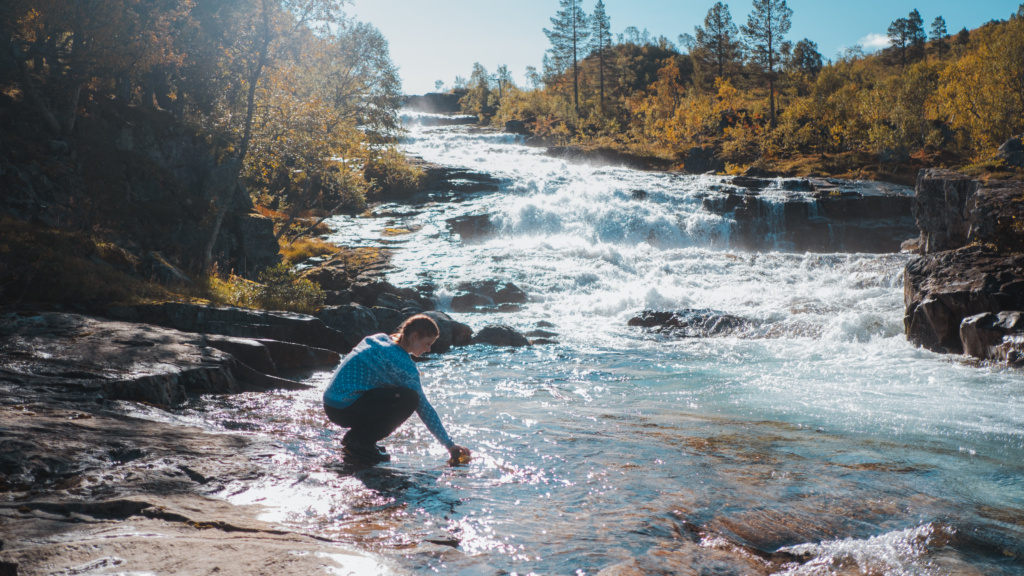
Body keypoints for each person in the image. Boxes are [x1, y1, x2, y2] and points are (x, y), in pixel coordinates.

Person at [323, 314, 471, 464]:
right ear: (414, 336)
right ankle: (361, 443)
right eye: (427, 343)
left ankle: (356, 437)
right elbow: (424, 408)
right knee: (410, 398)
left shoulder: (380, 338)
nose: (429, 349)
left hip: (332, 401)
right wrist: (449, 444)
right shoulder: (402, 364)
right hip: (344, 408)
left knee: (392, 393)